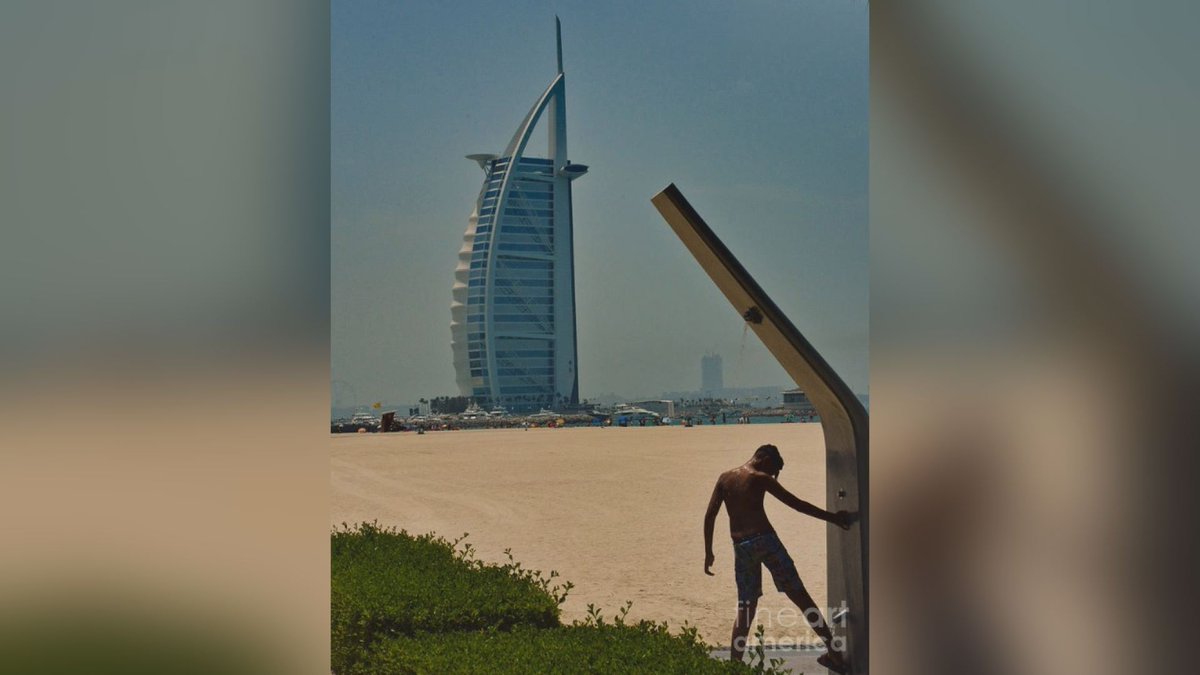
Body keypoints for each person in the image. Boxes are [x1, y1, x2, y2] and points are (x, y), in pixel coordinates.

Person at [703, 444, 855, 673]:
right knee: (800, 596)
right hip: (765, 541)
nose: (773, 475)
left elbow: (710, 515)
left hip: (741, 547)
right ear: (762, 458)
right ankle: (834, 653)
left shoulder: (725, 478)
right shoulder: (760, 477)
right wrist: (833, 518)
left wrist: (709, 551)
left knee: (746, 606)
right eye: (773, 469)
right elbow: (797, 504)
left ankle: (734, 666)